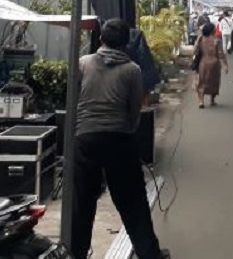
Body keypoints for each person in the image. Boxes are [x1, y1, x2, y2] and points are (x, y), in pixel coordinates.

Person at [72, 18, 169, 259]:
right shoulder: (132, 70)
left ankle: (76, 253)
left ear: (101, 40)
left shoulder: (83, 63)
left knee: (82, 202)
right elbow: (134, 110)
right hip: (119, 139)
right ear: (127, 44)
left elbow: (75, 99)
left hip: (85, 138)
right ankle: (149, 255)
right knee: (133, 204)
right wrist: (127, 134)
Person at [195, 23, 229, 109]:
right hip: (215, 64)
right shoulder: (216, 40)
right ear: (212, 31)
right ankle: (212, 100)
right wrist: (226, 65)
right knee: (214, 82)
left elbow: (195, 51)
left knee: (202, 82)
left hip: (203, 63)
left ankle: (201, 101)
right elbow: (221, 53)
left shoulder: (201, 40)